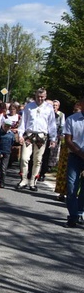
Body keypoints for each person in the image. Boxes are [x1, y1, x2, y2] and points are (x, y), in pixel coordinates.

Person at [17, 88, 57, 191]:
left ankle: (33, 182)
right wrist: (20, 134)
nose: (40, 99)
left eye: (42, 97)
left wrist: (53, 139)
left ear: (45, 96)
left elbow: (52, 124)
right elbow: (23, 121)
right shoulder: (29, 107)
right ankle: (24, 180)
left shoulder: (49, 108)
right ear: (35, 96)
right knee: (24, 158)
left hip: (41, 136)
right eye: (38, 97)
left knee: (38, 160)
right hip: (29, 135)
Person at [63, 95, 84, 228]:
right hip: (75, 156)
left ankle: (80, 212)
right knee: (71, 187)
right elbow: (68, 140)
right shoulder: (72, 119)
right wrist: (80, 153)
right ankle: (73, 216)